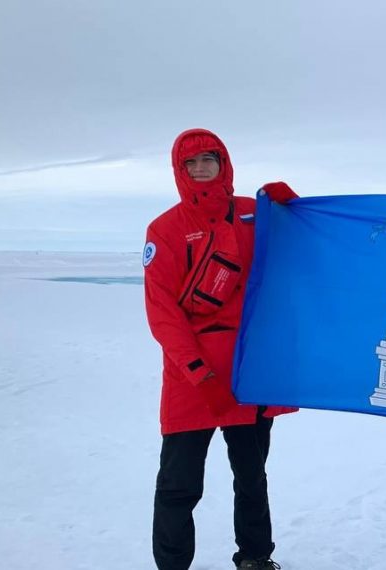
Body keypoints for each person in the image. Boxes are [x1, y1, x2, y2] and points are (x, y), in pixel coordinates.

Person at [143, 128, 298, 570]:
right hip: (193, 379)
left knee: (251, 478)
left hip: (250, 371)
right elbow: (163, 314)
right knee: (179, 484)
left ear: (223, 163)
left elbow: (300, 251)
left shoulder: (252, 214)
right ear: (179, 170)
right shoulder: (166, 229)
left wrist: (292, 211)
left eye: (207, 159)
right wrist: (198, 372)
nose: (199, 169)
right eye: (189, 163)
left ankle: (255, 558)